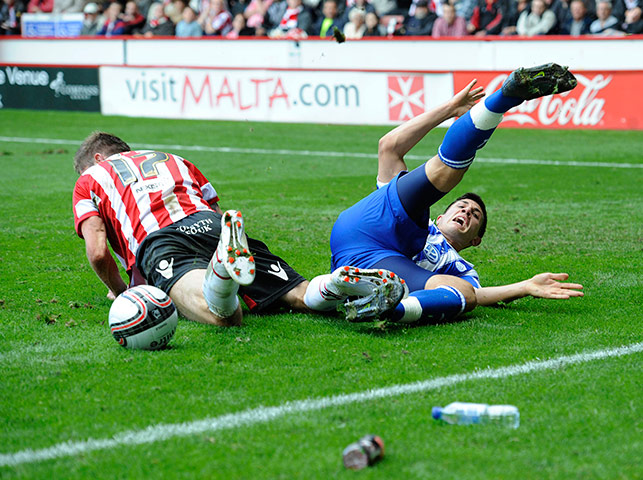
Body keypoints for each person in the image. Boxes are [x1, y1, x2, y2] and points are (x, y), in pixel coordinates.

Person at [312, 64, 584, 324]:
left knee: (464, 292)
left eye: (475, 215)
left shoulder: (460, 268)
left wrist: (525, 286)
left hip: (375, 267)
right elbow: (389, 147)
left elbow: (477, 295)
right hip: (373, 226)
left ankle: (383, 307)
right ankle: (505, 97)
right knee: (441, 174)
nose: (466, 211)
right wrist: (450, 108)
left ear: (475, 240)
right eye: (462, 206)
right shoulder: (420, 221)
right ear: (440, 217)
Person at [72, 134, 395, 327]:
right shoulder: (175, 159)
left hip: (161, 241)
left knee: (224, 315)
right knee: (300, 295)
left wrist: (121, 291)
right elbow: (211, 206)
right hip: (213, 225)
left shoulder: (90, 179)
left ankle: (221, 272)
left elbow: (98, 251)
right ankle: (335, 283)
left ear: (98, 158)